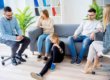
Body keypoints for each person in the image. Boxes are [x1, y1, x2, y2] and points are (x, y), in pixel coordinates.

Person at [84, 4, 110, 74]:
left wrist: (102, 52)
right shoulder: (108, 24)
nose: (102, 13)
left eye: (104, 11)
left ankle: (86, 68)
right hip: (106, 44)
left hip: (108, 48)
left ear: (107, 14)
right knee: (94, 44)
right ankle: (94, 65)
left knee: (93, 45)